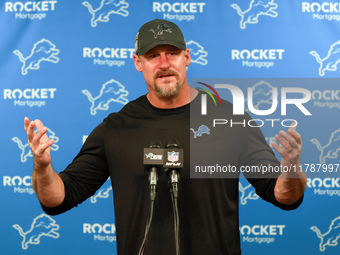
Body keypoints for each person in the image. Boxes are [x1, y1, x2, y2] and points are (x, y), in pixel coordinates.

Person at [24, 19, 307, 255]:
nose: (163, 63)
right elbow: (59, 199)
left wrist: (291, 166)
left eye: (171, 52)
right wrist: (42, 167)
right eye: (152, 55)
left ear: (187, 57)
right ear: (138, 62)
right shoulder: (116, 127)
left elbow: (283, 195)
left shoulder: (231, 119)